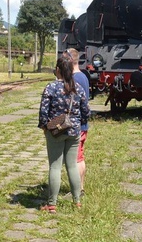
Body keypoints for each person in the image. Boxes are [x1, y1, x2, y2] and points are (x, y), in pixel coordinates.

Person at [38, 55, 90, 213]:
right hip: (74, 130)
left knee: (55, 166)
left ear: (58, 70)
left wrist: (45, 127)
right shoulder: (78, 88)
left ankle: (52, 204)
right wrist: (78, 124)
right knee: (72, 165)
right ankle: (77, 201)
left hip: (56, 131)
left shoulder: (51, 87)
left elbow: (43, 111)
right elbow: (86, 111)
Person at [68, 48, 89, 195]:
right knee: (79, 156)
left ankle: (78, 189)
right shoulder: (83, 76)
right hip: (82, 123)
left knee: (75, 158)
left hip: (76, 124)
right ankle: (80, 187)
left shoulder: (75, 79)